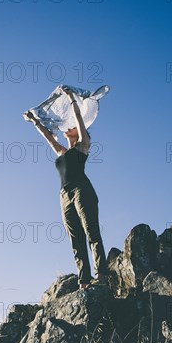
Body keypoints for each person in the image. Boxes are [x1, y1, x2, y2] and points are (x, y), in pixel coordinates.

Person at [23, 86, 108, 290]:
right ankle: (84, 280)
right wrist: (34, 121)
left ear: (78, 133)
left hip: (81, 189)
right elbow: (48, 138)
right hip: (64, 195)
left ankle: (103, 275)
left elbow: (78, 118)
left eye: (71, 127)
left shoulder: (83, 145)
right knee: (75, 239)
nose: (66, 127)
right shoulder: (62, 152)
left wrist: (71, 97)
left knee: (91, 231)